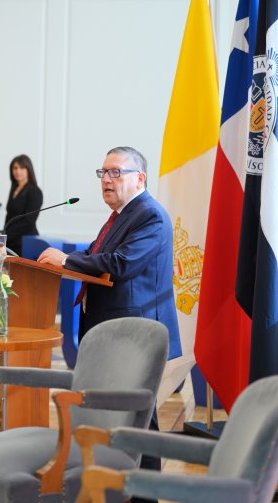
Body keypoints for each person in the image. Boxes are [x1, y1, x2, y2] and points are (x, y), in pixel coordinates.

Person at [37, 146, 181, 488]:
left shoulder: (149, 215)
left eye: (116, 172)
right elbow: (95, 254)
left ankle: (144, 492)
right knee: (122, 416)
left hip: (136, 336)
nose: (106, 179)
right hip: (114, 332)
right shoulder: (121, 216)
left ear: (140, 178)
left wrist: (67, 260)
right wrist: (64, 260)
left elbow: (122, 264)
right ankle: (113, 486)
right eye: (103, 172)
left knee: (140, 419)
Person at [4, 154, 43, 257]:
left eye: (22, 168)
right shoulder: (14, 189)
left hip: (25, 242)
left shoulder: (35, 191)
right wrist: (3, 234)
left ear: (28, 169)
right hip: (11, 240)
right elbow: (10, 216)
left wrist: (7, 235)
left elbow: (29, 220)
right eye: (15, 168)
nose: (18, 171)